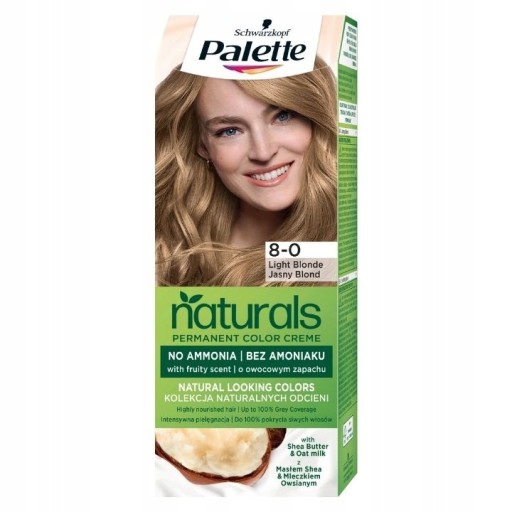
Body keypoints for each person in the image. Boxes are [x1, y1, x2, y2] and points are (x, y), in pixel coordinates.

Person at [156, 57, 337, 286]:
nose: (263, 152)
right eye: (230, 131)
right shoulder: (165, 256)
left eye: (282, 116)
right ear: (203, 146)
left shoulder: (343, 247)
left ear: (314, 120)